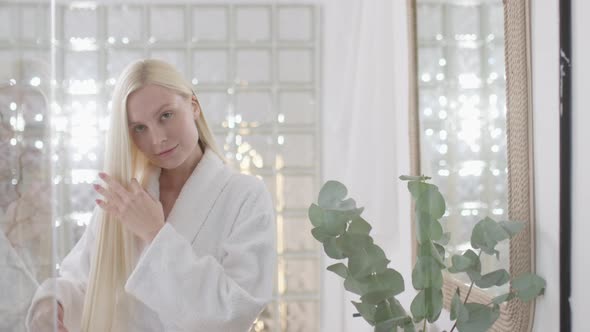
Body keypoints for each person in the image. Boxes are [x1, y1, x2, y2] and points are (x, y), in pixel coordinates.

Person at [25, 59, 277, 332]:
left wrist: (155, 235)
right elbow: (85, 282)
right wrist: (52, 304)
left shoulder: (245, 196)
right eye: (139, 128)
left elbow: (235, 312)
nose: (157, 139)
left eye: (165, 115)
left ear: (193, 105)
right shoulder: (126, 197)